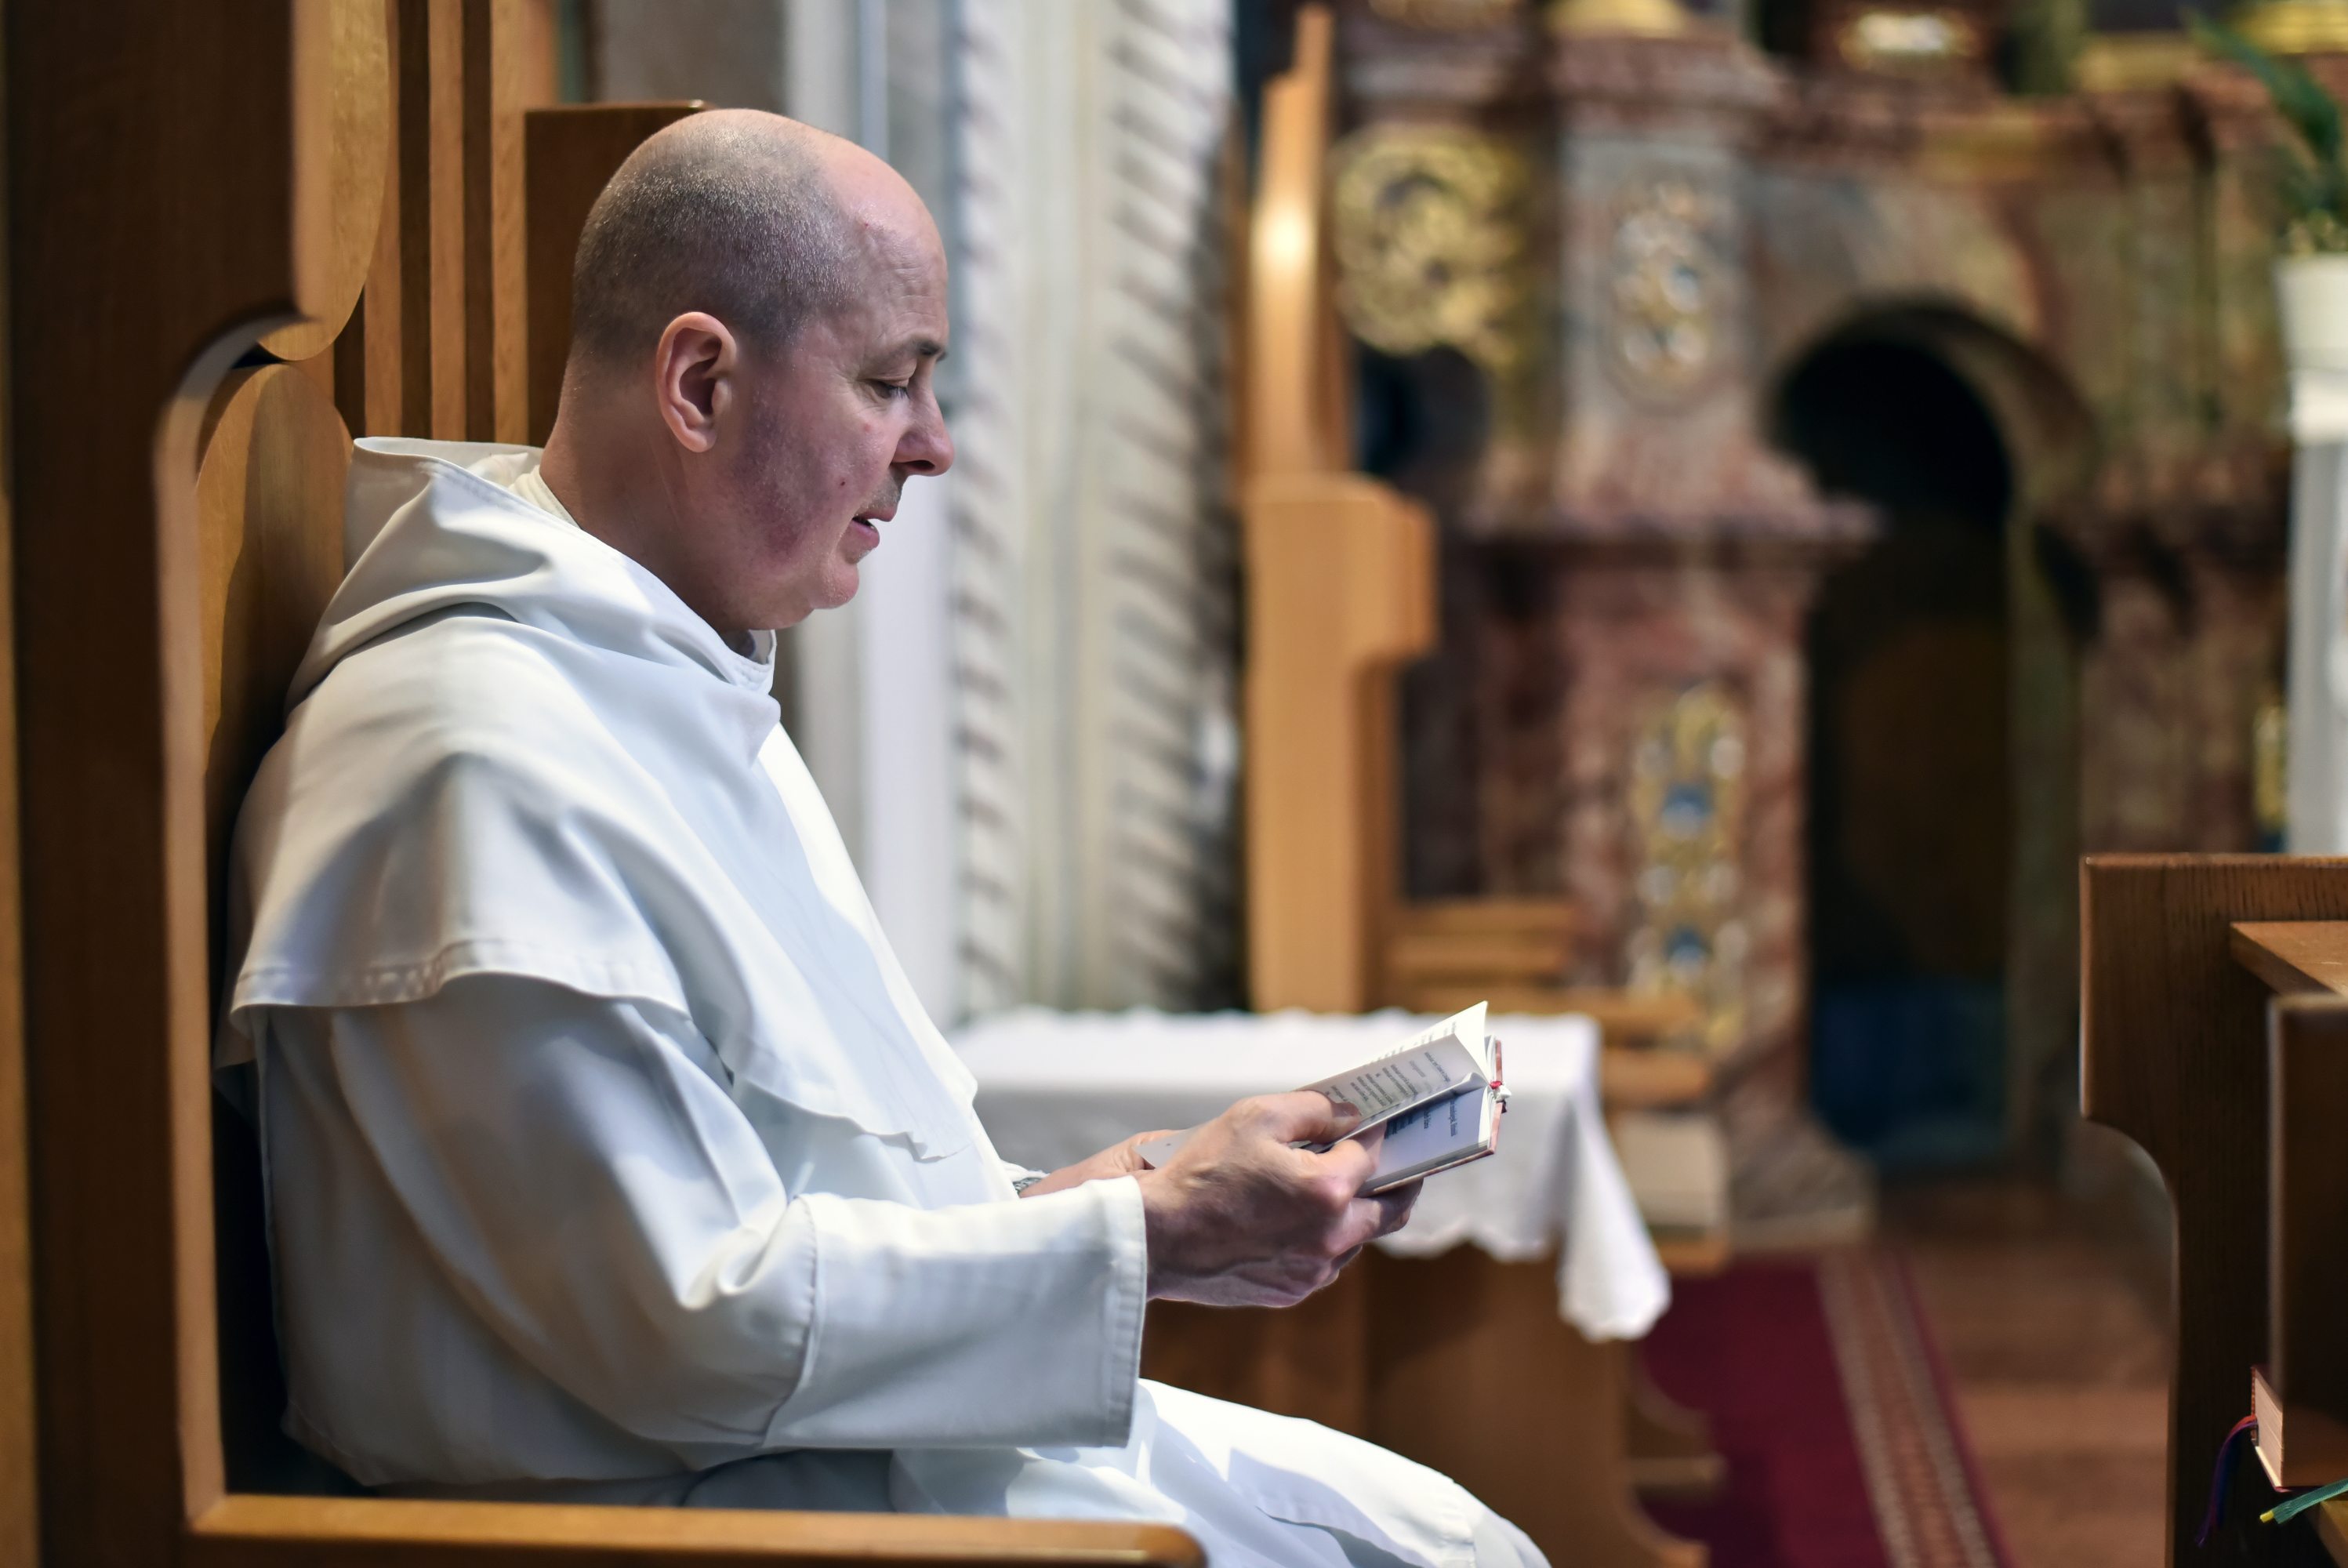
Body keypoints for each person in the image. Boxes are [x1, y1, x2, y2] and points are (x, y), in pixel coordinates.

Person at [216, 109, 1548, 1568]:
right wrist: (1150, 1244)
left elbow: (798, 1196)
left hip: (826, 1478)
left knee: (1444, 1535)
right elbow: (683, 1328)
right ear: (701, 380)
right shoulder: (463, 760)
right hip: (684, 1535)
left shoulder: (661, 675)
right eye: (889, 381)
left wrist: (1127, 1203)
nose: (935, 446)